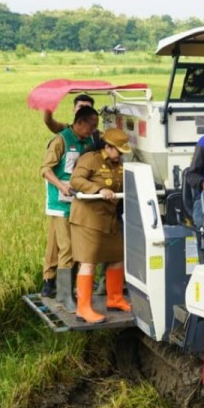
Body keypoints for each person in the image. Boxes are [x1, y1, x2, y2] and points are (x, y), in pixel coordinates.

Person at [40, 94, 102, 297]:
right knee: (65, 247)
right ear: (80, 121)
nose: (93, 130)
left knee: (77, 247)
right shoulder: (61, 138)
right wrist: (61, 186)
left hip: (80, 202)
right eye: (91, 126)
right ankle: (61, 292)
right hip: (60, 202)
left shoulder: (89, 140)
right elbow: (45, 169)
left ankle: (68, 289)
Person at [68, 128, 132, 324]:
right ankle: (83, 309)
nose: (120, 155)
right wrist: (98, 189)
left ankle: (115, 299)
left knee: (117, 257)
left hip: (108, 219)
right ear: (108, 147)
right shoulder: (91, 159)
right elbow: (75, 180)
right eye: (118, 151)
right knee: (89, 262)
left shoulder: (119, 165)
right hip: (88, 219)